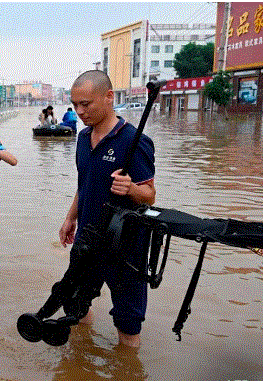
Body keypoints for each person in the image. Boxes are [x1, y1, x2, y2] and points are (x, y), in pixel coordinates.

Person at [58, 70, 155, 348]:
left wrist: (132, 189)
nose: (80, 111)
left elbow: (149, 196)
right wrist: (69, 218)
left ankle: (126, 367)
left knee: (127, 321)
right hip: (88, 237)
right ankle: (81, 358)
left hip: (124, 244)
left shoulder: (134, 142)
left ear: (109, 97)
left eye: (86, 104)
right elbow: (83, 184)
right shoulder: (82, 138)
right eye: (75, 105)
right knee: (76, 303)